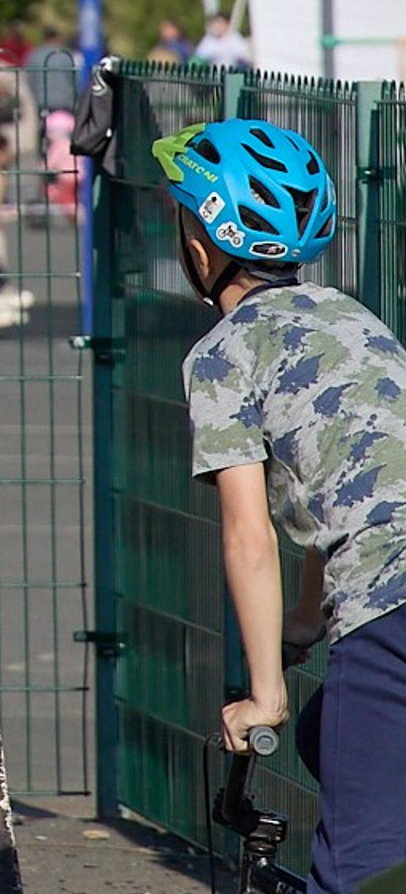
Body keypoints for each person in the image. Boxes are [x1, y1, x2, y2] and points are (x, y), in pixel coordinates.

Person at [161, 118, 406, 890]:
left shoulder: (222, 356)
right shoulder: (351, 318)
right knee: (324, 730)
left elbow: (249, 534)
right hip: (388, 573)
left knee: (359, 866)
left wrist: (264, 694)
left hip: (392, 601)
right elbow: (355, 483)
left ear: (200, 248)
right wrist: (306, 617)